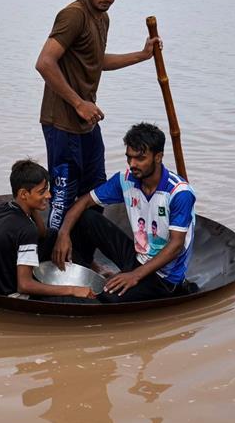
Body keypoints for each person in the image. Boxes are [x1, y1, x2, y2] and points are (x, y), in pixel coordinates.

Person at [35, 0, 161, 232]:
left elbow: (96, 60)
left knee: (94, 192)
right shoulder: (73, 15)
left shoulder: (102, 18)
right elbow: (45, 62)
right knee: (64, 195)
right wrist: (79, 103)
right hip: (62, 123)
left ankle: (85, 256)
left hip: (87, 123)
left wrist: (141, 56)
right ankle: (57, 256)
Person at [53, 123, 197, 303]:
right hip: (137, 256)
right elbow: (84, 202)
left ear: (158, 157)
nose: (132, 164)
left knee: (106, 297)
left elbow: (176, 246)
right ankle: (82, 268)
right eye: (129, 158)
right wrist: (63, 234)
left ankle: (153, 286)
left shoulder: (179, 193)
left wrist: (134, 275)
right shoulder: (126, 179)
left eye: (140, 159)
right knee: (86, 217)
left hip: (163, 276)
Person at [0, 159, 97, 301]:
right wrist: (72, 290)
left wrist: (32, 207)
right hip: (11, 294)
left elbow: (43, 234)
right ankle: (84, 284)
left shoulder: (4, 208)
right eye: (42, 192)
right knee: (77, 300)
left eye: (47, 189)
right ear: (23, 194)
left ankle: (83, 270)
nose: (49, 195)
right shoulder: (26, 230)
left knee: (52, 235)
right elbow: (24, 285)